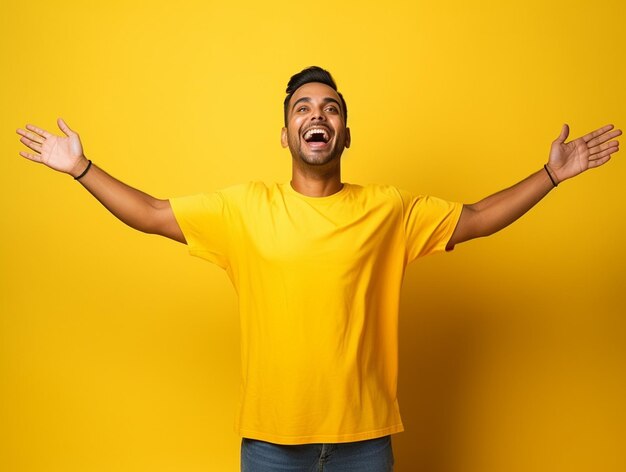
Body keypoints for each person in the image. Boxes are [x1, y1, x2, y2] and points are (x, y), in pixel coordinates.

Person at [16, 66, 621, 472]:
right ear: (284, 134)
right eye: (303, 107)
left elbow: (479, 216)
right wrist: (81, 168)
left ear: (344, 133)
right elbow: (149, 213)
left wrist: (551, 176)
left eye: (330, 108)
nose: (317, 116)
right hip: (272, 446)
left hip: (365, 443)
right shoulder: (242, 208)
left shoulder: (387, 210)